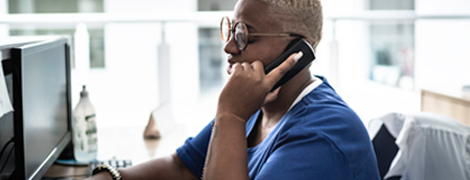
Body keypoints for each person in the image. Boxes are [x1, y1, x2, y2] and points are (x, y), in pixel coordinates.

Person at [88, 0, 380, 179]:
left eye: (244, 35)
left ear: (298, 51)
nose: (228, 47)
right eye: (231, 30)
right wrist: (108, 177)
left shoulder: (323, 136)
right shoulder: (258, 104)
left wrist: (230, 115)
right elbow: (182, 169)